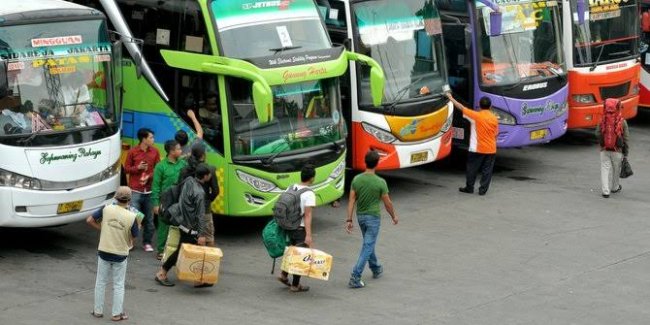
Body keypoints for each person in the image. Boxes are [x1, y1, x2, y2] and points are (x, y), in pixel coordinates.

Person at [346, 150, 398, 289]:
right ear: (377, 164)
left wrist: (349, 219)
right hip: (373, 218)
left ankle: (375, 268)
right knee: (368, 245)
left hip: (360, 217)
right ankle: (355, 276)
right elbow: (387, 203)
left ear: (365, 162)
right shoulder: (380, 182)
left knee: (368, 244)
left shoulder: (357, 179)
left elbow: (351, 200)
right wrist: (393, 216)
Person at [86, 186, 139, 322]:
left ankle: (97, 311)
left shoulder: (106, 208)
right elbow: (134, 236)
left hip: (104, 250)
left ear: (116, 197)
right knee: (119, 284)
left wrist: (102, 228)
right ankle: (116, 314)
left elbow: (90, 220)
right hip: (120, 253)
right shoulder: (132, 216)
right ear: (129, 200)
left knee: (100, 282)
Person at [155, 163, 212, 287]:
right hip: (190, 227)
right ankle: (162, 273)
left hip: (181, 220)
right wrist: (201, 234)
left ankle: (200, 278)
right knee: (182, 251)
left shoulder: (189, 180)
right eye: (209, 174)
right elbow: (201, 216)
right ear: (206, 176)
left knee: (188, 250)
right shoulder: (200, 193)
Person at [446, 93, 499, 195]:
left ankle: (469, 188)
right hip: (491, 149)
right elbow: (496, 134)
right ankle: (483, 190)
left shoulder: (476, 116)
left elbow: (461, 107)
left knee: (472, 169)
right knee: (487, 171)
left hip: (476, 149)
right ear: (490, 106)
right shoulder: (494, 118)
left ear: (479, 105)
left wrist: (451, 98)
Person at [277, 164, 316, 293]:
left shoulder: (291, 187)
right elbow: (308, 215)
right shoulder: (309, 193)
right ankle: (295, 285)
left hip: (288, 225)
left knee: (292, 251)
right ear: (312, 178)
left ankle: (283, 275)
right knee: (299, 256)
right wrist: (309, 235)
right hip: (299, 227)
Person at [124, 128, 160, 252]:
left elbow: (157, 169)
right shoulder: (133, 152)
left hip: (149, 191)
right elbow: (126, 169)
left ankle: (147, 242)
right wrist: (137, 168)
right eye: (151, 137)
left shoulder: (155, 152)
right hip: (135, 190)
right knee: (133, 218)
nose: (153, 140)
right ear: (144, 139)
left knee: (149, 220)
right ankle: (130, 242)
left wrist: (149, 176)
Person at [151, 140, 188, 259]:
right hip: (165, 201)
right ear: (171, 152)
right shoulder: (161, 166)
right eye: (178, 149)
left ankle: (175, 250)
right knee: (163, 226)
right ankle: (161, 250)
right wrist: (155, 204)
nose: (180, 151)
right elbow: (156, 186)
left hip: (179, 200)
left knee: (179, 226)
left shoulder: (183, 164)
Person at [179, 143, 219, 247]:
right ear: (203, 155)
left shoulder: (184, 169)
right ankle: (208, 261)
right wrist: (208, 200)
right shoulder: (209, 169)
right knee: (208, 238)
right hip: (205, 209)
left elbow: (180, 188)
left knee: (188, 239)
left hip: (187, 210)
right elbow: (215, 191)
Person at [595, 98, 629, 198]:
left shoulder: (602, 119)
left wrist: (603, 141)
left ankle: (605, 191)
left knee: (605, 169)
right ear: (618, 108)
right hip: (617, 150)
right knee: (616, 169)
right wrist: (625, 152)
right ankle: (615, 187)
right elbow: (626, 138)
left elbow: (597, 133)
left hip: (604, 149)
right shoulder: (622, 121)